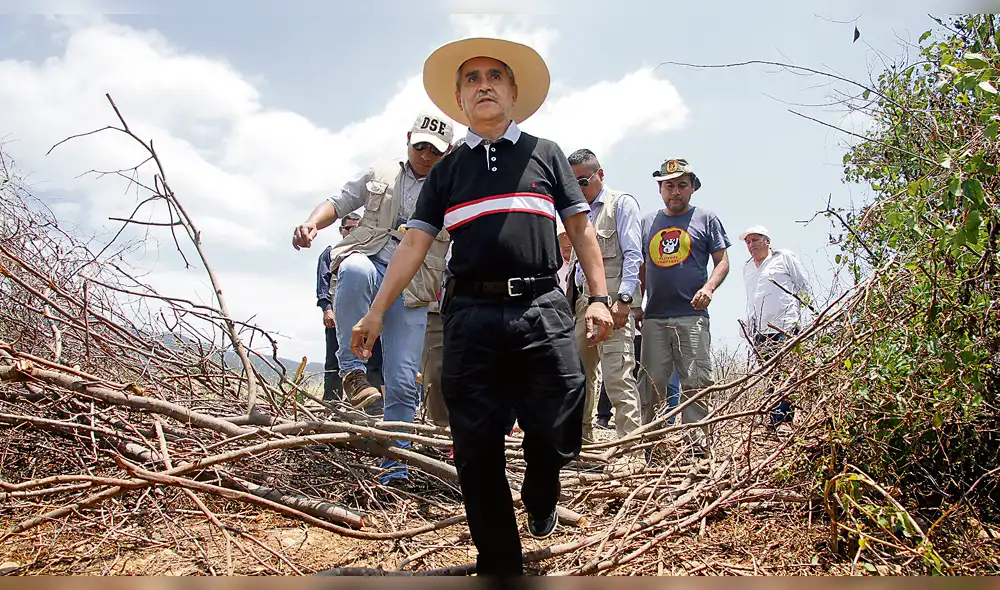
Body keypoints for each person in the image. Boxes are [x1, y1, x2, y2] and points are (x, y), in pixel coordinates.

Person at [350, 37, 614, 577]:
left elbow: (582, 232)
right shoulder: (446, 172)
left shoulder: (547, 154)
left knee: (563, 405)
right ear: (459, 99)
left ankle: (542, 491)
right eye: (472, 78)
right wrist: (376, 311)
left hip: (542, 305)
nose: (484, 84)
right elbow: (414, 244)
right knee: (475, 447)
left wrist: (599, 297)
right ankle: (500, 564)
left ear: (514, 92)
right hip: (468, 314)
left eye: (495, 75)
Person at [292, 111, 455, 484]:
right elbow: (341, 201)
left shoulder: (451, 191)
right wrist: (311, 225)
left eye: (435, 151)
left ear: (446, 154)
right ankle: (351, 371)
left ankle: (396, 465)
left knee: (401, 378)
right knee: (353, 270)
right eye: (421, 146)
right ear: (409, 139)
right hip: (370, 261)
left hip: (413, 289)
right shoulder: (380, 173)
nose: (426, 155)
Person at [639, 158, 731, 459]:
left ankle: (696, 450)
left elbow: (722, 262)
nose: (675, 191)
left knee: (695, 382)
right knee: (651, 385)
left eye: (681, 185)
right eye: (668, 185)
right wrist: (637, 303)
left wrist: (709, 288)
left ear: (692, 188)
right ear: (659, 189)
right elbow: (639, 266)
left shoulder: (706, 219)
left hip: (692, 316)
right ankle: (653, 449)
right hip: (654, 317)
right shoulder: (647, 223)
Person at [565, 149, 643, 445]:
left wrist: (624, 300)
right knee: (577, 377)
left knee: (618, 377)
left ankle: (629, 449)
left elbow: (634, 255)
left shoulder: (620, 204)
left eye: (583, 181)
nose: (579, 189)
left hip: (613, 307)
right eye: (573, 184)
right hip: (583, 309)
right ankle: (580, 442)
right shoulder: (578, 213)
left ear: (600, 175)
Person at [740, 225, 812, 436]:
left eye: (755, 240)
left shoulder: (784, 258)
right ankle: (774, 418)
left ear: (767, 240)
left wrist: (804, 317)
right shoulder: (748, 268)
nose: (751, 245)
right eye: (748, 242)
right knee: (770, 376)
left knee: (786, 374)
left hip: (786, 326)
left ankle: (785, 421)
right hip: (760, 331)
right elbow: (751, 298)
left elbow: (803, 286)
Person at [317, 214, 385, 401]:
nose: (353, 232)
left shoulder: (371, 254)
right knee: (334, 359)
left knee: (370, 357)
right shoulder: (331, 253)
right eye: (349, 228)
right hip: (339, 316)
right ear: (341, 230)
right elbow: (323, 283)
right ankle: (331, 403)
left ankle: (368, 403)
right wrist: (326, 309)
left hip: (367, 315)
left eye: (357, 227)